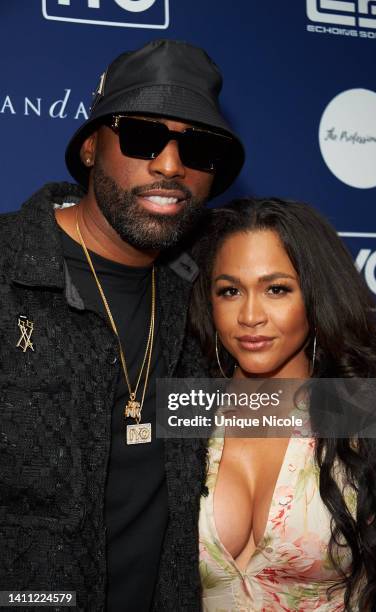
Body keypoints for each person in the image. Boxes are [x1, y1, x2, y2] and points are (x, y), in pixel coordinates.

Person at [0, 39, 244, 611]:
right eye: (141, 136)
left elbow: (265, 407)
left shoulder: (212, 290)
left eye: (198, 148)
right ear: (89, 148)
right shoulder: (8, 266)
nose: (169, 165)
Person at [189, 198, 376, 611]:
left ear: (315, 296)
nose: (250, 315)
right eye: (230, 290)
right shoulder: (182, 412)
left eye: (276, 289)